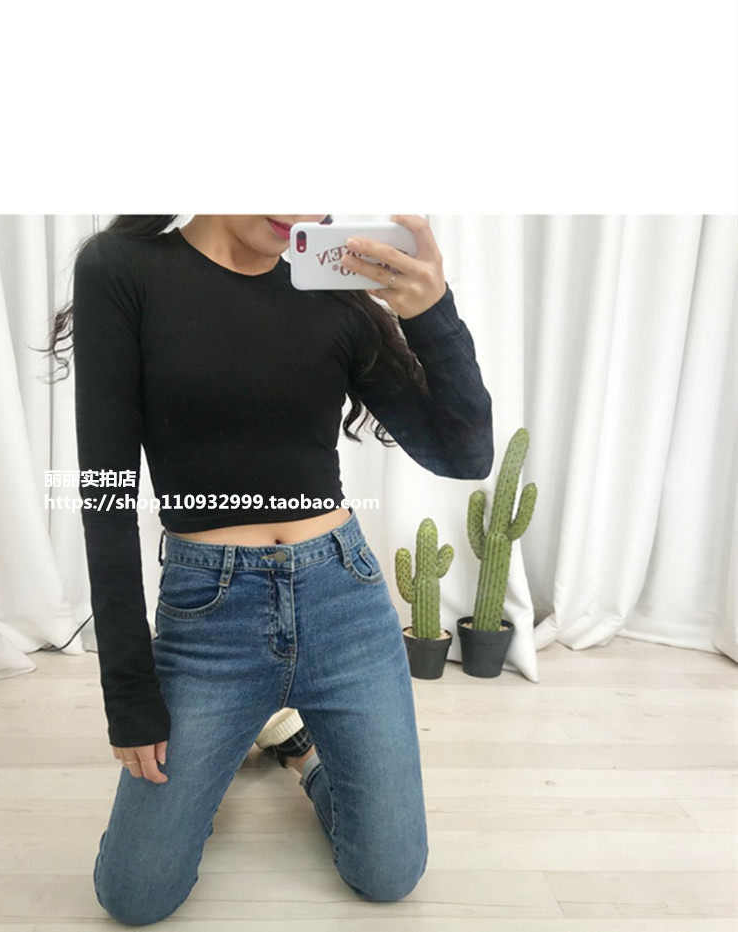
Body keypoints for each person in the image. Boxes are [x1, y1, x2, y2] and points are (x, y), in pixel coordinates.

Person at [59, 210, 494, 917]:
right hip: (209, 617)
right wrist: (128, 694)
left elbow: (464, 454)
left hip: (343, 599)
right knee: (135, 896)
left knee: (389, 875)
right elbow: (104, 494)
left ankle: (300, 752)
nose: (299, 208)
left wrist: (432, 315)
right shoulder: (123, 267)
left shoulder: (333, 289)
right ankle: (234, 748)